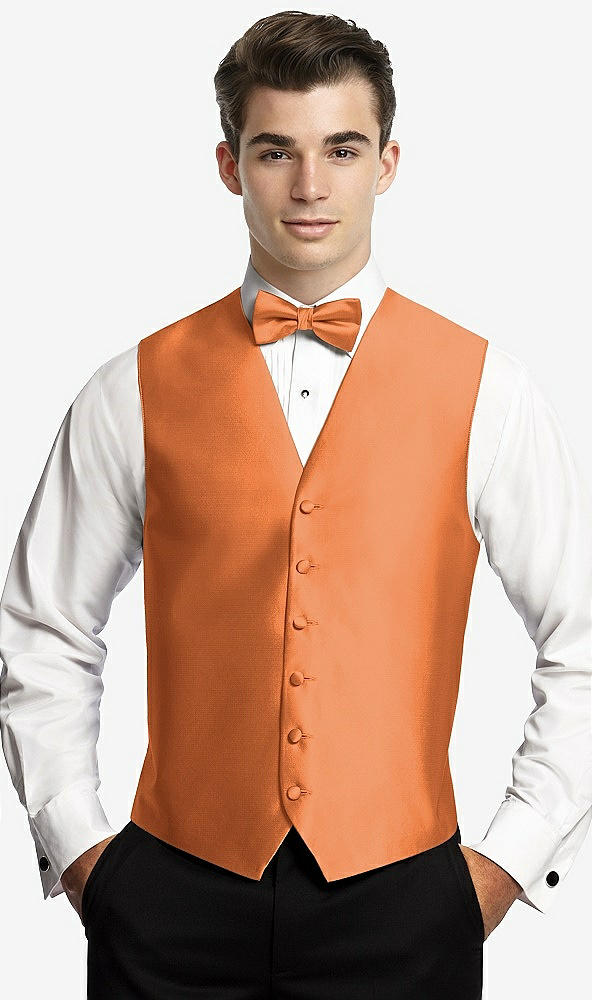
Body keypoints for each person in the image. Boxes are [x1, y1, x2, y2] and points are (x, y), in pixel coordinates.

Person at [1, 10, 591, 999]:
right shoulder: (129, 388)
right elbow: (43, 625)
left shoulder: (488, 388)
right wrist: (83, 851)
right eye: (276, 151)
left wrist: (504, 866)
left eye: (342, 149)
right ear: (229, 166)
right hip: (170, 901)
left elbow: (580, 637)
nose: (310, 185)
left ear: (387, 164)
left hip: (406, 902)